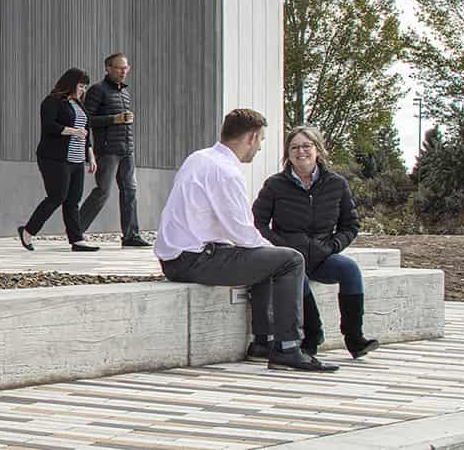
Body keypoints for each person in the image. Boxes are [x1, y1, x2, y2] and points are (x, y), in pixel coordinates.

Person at [156, 108, 337, 372]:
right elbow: (243, 233)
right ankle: (288, 348)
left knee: (266, 260)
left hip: (174, 259)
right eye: (261, 140)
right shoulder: (226, 171)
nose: (260, 147)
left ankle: (263, 343)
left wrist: (267, 251)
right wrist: (276, 251)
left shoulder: (199, 158)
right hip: (195, 259)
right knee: (290, 260)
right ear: (251, 137)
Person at [254, 127, 377, 359]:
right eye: (294, 147)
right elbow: (257, 223)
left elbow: (350, 225)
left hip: (322, 255)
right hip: (289, 258)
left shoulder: (336, 184)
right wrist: (281, 247)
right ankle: (312, 335)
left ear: (318, 150)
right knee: (297, 274)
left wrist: (332, 246)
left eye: (306, 146)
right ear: (288, 154)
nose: (300, 151)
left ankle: (355, 339)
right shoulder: (274, 185)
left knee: (350, 269)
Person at [19, 68, 102, 251]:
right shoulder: (52, 101)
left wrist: (91, 157)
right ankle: (28, 231)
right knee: (57, 196)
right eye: (81, 86)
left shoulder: (79, 105)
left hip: (77, 159)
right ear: (70, 84)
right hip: (54, 158)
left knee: (73, 200)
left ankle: (77, 240)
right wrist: (73, 131)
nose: (83, 90)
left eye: (85, 87)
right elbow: (49, 126)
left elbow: (86, 133)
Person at [77, 52, 147, 247]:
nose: (123, 72)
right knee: (103, 191)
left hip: (127, 149)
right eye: (119, 68)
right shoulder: (97, 90)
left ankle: (131, 236)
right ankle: (76, 229)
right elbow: (86, 119)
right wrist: (113, 119)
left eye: (126, 68)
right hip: (108, 150)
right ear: (108, 68)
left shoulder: (124, 92)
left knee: (130, 191)